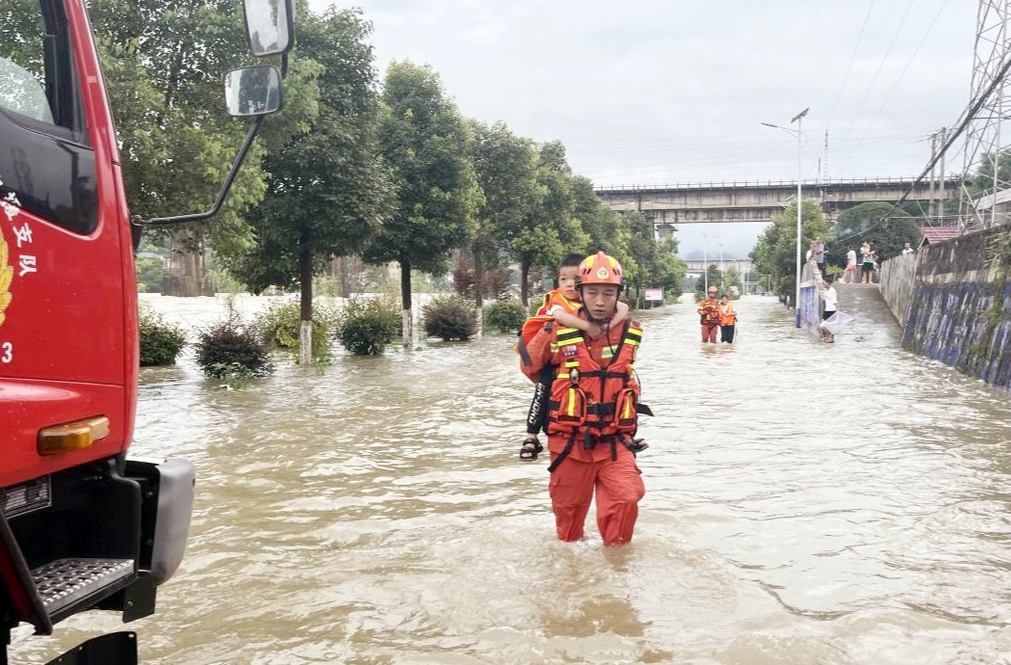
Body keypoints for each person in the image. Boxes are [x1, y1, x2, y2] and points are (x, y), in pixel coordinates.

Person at [518, 251, 646, 547]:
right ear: (580, 293)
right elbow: (530, 368)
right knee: (569, 527)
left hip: (615, 442)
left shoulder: (631, 331)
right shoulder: (557, 329)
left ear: (618, 294)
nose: (600, 301)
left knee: (627, 498)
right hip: (569, 444)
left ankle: (615, 571)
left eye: (608, 293)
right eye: (593, 292)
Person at [517, 253, 629, 460]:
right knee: (543, 390)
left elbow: (624, 307)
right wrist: (588, 326)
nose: (568, 285)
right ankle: (531, 435)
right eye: (563, 279)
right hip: (552, 360)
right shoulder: (558, 301)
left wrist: (607, 327)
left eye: (573, 279)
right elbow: (559, 316)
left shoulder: (591, 298)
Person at [821, 276, 838, 343]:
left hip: (832, 310)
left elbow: (835, 301)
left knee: (826, 325)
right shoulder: (826, 290)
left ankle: (830, 338)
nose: (823, 284)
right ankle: (829, 337)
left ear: (828, 283)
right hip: (827, 310)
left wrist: (837, 310)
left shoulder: (832, 291)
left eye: (824, 283)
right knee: (824, 325)